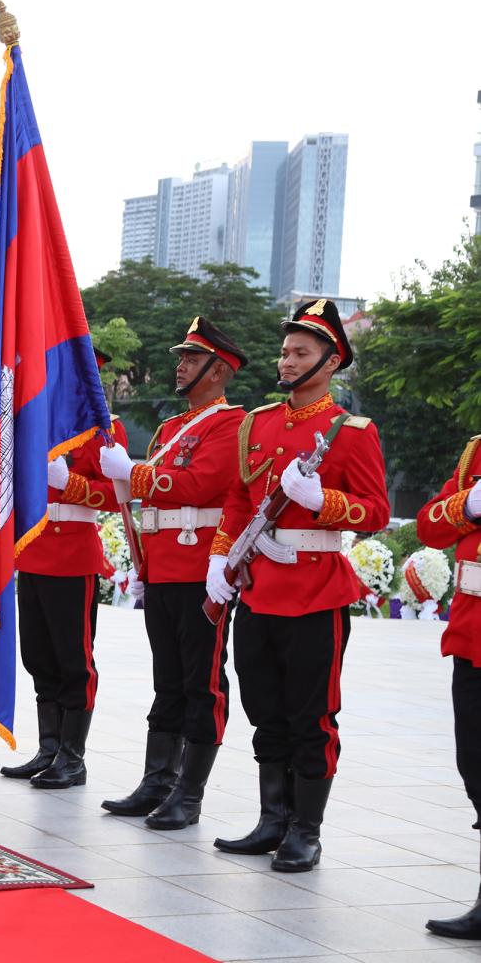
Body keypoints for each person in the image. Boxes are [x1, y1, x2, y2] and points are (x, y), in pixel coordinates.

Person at [207, 298, 388, 872]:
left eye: (301, 353)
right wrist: (220, 556)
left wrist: (323, 501)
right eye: (285, 351)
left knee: (312, 716)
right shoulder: (258, 422)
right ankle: (273, 819)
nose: (287, 361)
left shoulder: (352, 432)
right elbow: (240, 500)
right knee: (265, 710)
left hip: (316, 592)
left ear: (331, 362)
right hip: (259, 587)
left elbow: (377, 511)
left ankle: (305, 831)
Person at [98, 318, 248, 829]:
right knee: (167, 681)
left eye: (192, 358)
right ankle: (157, 780)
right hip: (164, 568)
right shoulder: (168, 429)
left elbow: (198, 484)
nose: (180, 366)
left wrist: (132, 472)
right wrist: (144, 563)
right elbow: (153, 505)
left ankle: (189, 792)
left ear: (219, 371)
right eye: (181, 357)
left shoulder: (232, 424)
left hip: (201, 571)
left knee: (201, 684)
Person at [1, 350, 127, 787]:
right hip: (33, 551)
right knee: (37, 656)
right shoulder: (34, 424)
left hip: (73, 555)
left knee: (74, 661)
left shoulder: (103, 430)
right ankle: (49, 748)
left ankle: (72, 757)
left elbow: (116, 497)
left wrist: (68, 483)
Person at [417, 434, 481, 938]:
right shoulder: (475, 453)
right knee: (475, 766)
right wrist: (469, 504)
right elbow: (430, 526)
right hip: (473, 635)